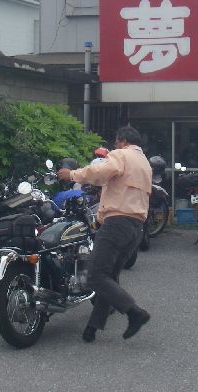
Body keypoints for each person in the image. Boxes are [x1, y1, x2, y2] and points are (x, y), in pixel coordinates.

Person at [57, 125, 152, 343]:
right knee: (109, 278)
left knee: (95, 276)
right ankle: (92, 328)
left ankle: (135, 313)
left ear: (123, 140)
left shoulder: (122, 155)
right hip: (136, 227)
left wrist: (72, 175)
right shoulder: (144, 163)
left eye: (116, 142)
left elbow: (99, 172)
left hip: (117, 223)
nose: (114, 146)